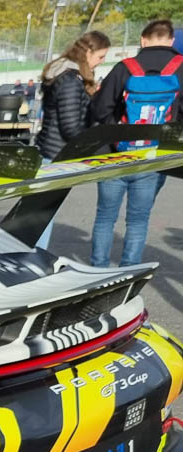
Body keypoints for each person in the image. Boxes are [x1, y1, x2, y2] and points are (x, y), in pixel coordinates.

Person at [89, 19, 183, 267]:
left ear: (142, 40)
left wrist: (119, 132)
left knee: (105, 217)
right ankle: (129, 272)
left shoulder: (125, 67)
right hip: (154, 156)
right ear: (171, 40)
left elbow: (100, 109)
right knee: (138, 220)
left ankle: (98, 270)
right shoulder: (180, 68)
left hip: (115, 154)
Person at [33, 30, 111, 250]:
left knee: (41, 213)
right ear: (88, 52)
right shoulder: (70, 80)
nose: (101, 62)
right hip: (57, 154)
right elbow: (70, 126)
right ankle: (34, 258)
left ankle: (32, 255)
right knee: (44, 215)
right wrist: (96, 145)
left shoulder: (62, 74)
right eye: (100, 56)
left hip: (50, 150)